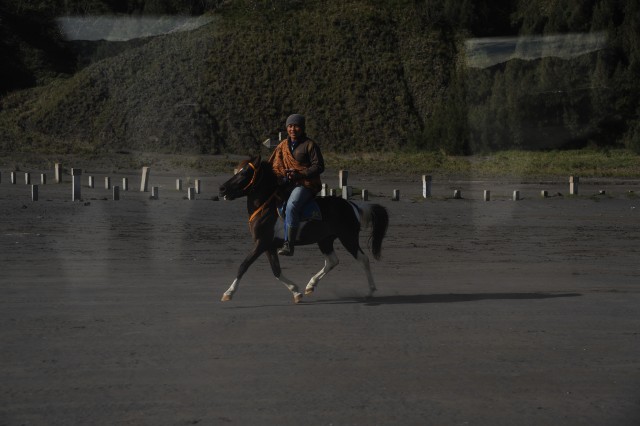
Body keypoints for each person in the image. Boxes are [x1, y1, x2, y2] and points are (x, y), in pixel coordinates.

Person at [270, 113, 325, 256]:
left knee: (292, 204)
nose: (292, 129)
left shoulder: (310, 145)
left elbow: (319, 166)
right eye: (290, 126)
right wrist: (283, 175)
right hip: (286, 182)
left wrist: (300, 174)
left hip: (306, 184)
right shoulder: (282, 146)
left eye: (296, 126)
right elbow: (276, 165)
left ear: (302, 128)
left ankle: (289, 244)